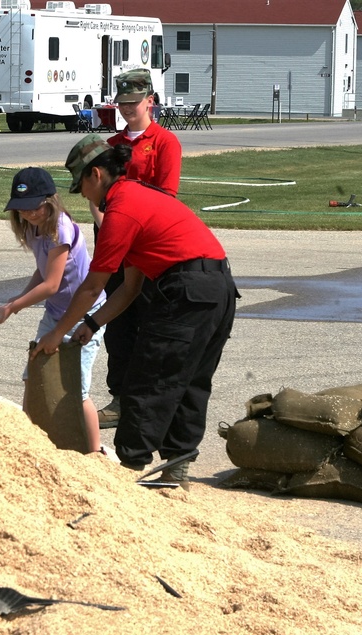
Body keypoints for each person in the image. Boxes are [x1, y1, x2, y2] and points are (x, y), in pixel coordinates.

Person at [31, 135, 237, 490]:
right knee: (189, 381)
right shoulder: (141, 196)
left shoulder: (121, 210)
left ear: (96, 174)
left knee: (147, 380)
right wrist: (92, 323)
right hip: (218, 289)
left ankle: (129, 472)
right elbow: (130, 288)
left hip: (186, 291)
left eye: (82, 187)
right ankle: (176, 472)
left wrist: (57, 332)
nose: (84, 196)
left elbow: (92, 287)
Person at [0, 168, 106, 454]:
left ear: (50, 201)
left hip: (84, 314)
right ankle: (29, 444)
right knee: (34, 377)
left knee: (75, 389)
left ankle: (95, 453)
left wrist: (13, 307)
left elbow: (52, 284)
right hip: (55, 313)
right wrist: (18, 298)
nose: (29, 213)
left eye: (34, 206)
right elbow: (43, 271)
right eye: (21, 208)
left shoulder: (60, 228)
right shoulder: (33, 227)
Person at [93, 68, 183, 431]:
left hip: (147, 246)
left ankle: (150, 399)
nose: (128, 108)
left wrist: (130, 228)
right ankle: (120, 397)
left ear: (150, 101)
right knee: (119, 325)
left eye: (134, 102)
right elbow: (97, 192)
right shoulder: (111, 145)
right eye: (123, 103)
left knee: (150, 322)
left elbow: (167, 196)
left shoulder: (164, 142)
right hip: (114, 243)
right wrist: (104, 222)